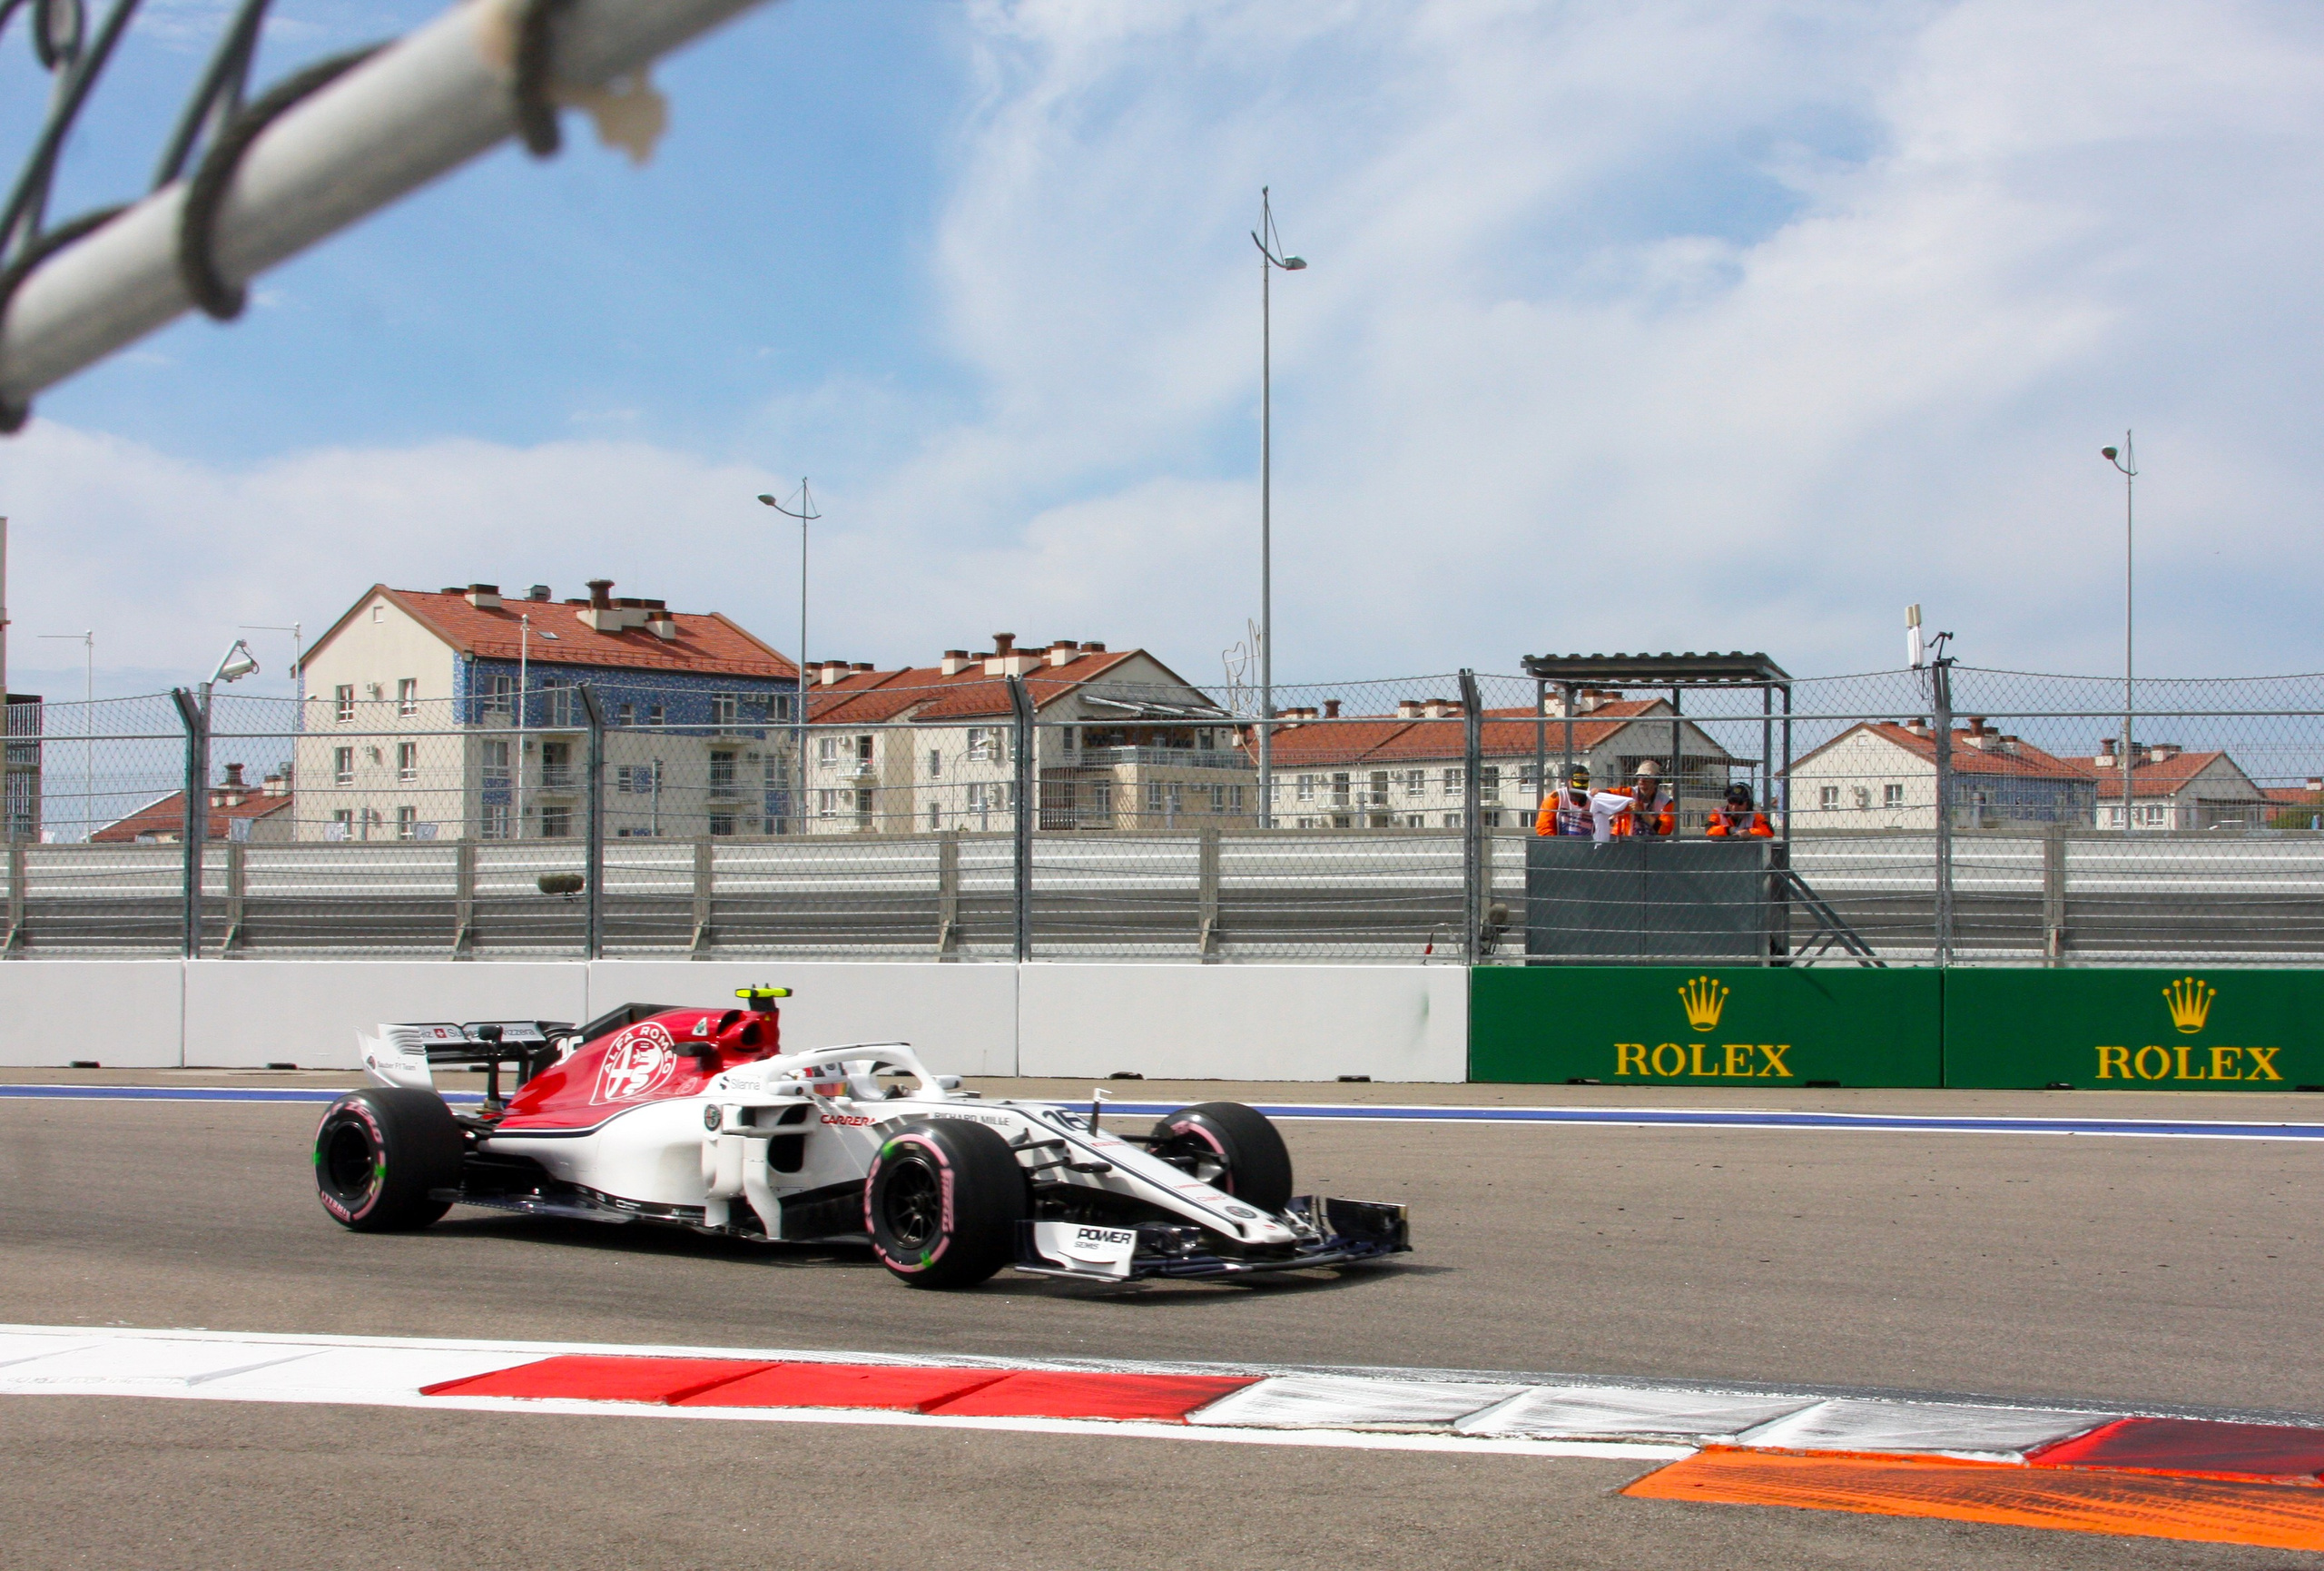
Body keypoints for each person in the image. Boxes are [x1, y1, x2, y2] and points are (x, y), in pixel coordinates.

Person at [1611, 760, 1675, 838]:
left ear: (1656, 780)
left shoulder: (1665, 802)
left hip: (1654, 844)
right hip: (1627, 841)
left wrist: (1642, 813)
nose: (1642, 780)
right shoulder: (1628, 793)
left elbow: (1665, 830)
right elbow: (1611, 792)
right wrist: (1600, 791)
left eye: (1647, 777)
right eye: (1639, 776)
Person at [1533, 764, 1596, 837]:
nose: (1579, 792)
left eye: (1583, 789)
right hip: (1559, 845)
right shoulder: (1555, 798)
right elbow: (1544, 828)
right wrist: (1558, 845)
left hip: (1586, 846)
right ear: (1569, 782)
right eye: (1577, 788)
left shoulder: (1593, 801)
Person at [1706, 782, 1773, 837]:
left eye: (1739, 802)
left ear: (1748, 804)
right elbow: (1709, 831)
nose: (1734, 807)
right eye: (1731, 802)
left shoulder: (1755, 816)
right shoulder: (1718, 813)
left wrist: (1750, 832)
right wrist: (1729, 830)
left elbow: (1769, 832)